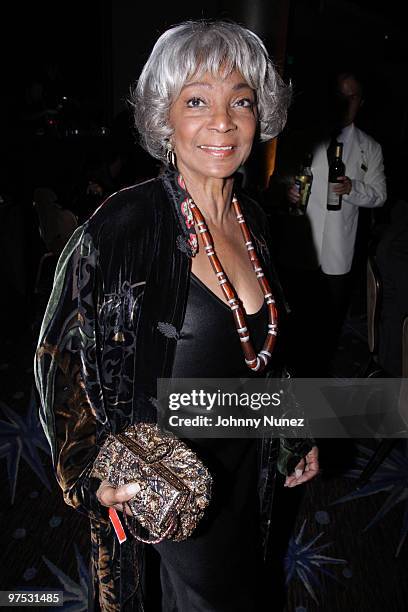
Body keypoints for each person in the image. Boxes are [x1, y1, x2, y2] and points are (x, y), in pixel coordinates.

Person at [34, 21, 319, 611]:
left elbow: (261, 358)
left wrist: (294, 431)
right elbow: (60, 357)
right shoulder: (123, 227)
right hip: (169, 489)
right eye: (197, 101)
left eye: (241, 100)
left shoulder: (254, 220)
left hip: (244, 466)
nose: (223, 121)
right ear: (164, 118)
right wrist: (90, 473)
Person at [273, 71, 387, 374]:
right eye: (339, 94)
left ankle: (313, 380)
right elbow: (280, 178)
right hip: (300, 249)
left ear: (360, 102)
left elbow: (380, 195)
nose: (344, 102)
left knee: (327, 328)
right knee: (291, 321)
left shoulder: (370, 148)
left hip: (338, 254)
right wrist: (288, 189)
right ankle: (285, 377)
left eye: (351, 96)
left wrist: (353, 189)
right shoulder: (308, 136)